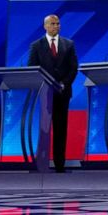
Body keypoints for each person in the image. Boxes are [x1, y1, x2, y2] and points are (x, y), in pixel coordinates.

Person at [27, 14, 79, 172]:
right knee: (42, 129)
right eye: (53, 24)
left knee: (60, 129)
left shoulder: (68, 44)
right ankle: (41, 162)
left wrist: (64, 83)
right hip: (44, 94)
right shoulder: (36, 45)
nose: (56, 26)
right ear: (45, 26)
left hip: (63, 93)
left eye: (58, 23)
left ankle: (59, 164)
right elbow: (32, 68)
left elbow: (73, 68)